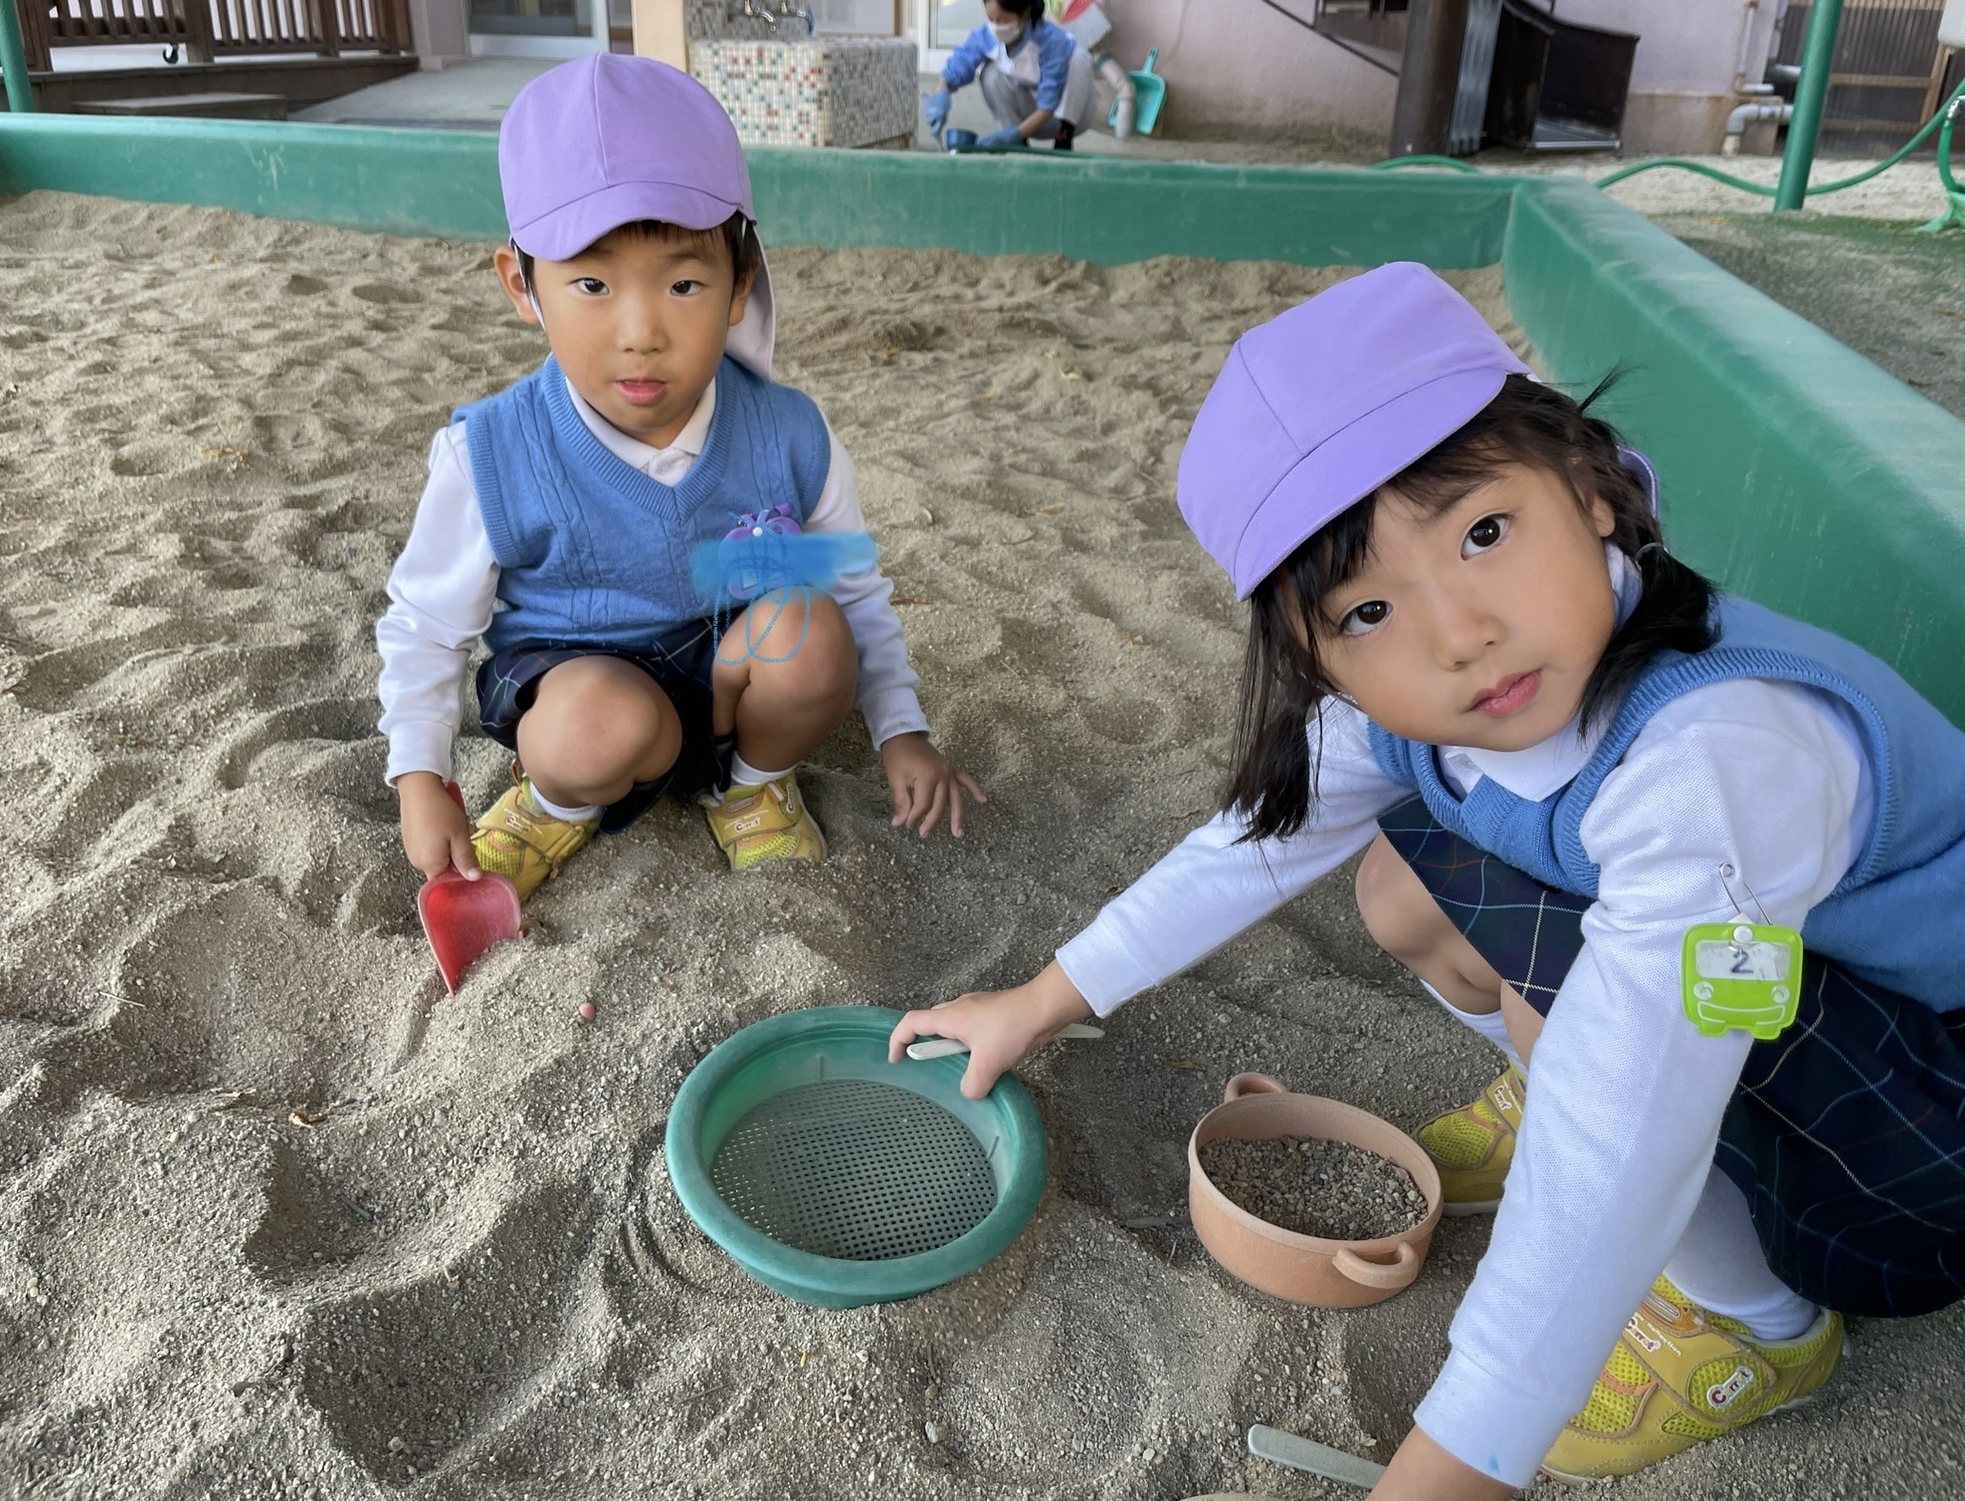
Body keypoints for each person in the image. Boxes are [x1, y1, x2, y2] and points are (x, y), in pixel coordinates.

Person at [890, 263, 1965, 1495]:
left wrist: (1457, 1462)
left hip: (1920, 1137)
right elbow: (1252, 844)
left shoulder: (1717, 753)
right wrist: (1038, 1000)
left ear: (1590, 488)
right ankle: (1547, 1080)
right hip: (1801, 1006)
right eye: (1365, 611)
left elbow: (1625, 1118)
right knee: (1403, 884)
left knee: (1580, 1026)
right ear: (1312, 657)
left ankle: (1761, 1328)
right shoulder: (1429, 705)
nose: (1458, 636)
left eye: (1483, 534)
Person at [377, 55, 982, 898]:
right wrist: (419, 776)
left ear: (740, 285)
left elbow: (855, 590)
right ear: (523, 285)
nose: (641, 332)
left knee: (813, 632)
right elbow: (428, 625)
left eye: (685, 283)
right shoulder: (493, 453)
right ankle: (555, 804)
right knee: (591, 726)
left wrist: (902, 732)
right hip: (583, 690)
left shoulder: (785, 433)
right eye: (592, 283)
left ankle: (752, 788)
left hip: (733, 692)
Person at [925, 0, 1098, 151]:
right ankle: (1018, 143)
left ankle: (1063, 137)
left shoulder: (1051, 40)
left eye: (1002, 20)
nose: (995, 27)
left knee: (1078, 57)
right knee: (989, 74)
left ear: (1024, 13)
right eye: (990, 19)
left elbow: (1047, 106)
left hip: (1060, 115)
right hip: (1027, 114)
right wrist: (941, 95)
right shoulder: (987, 35)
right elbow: (959, 64)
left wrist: (1011, 135)